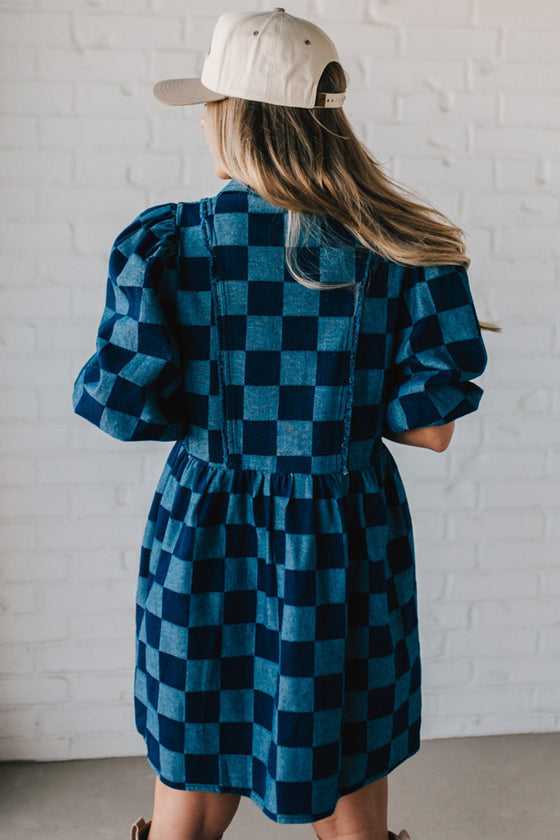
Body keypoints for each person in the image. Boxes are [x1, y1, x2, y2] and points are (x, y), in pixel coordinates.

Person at [72, 9, 500, 840]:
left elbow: (121, 409)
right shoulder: (404, 246)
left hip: (205, 532)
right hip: (344, 534)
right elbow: (432, 429)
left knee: (191, 786)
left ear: (232, 114)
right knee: (345, 773)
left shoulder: (169, 244)